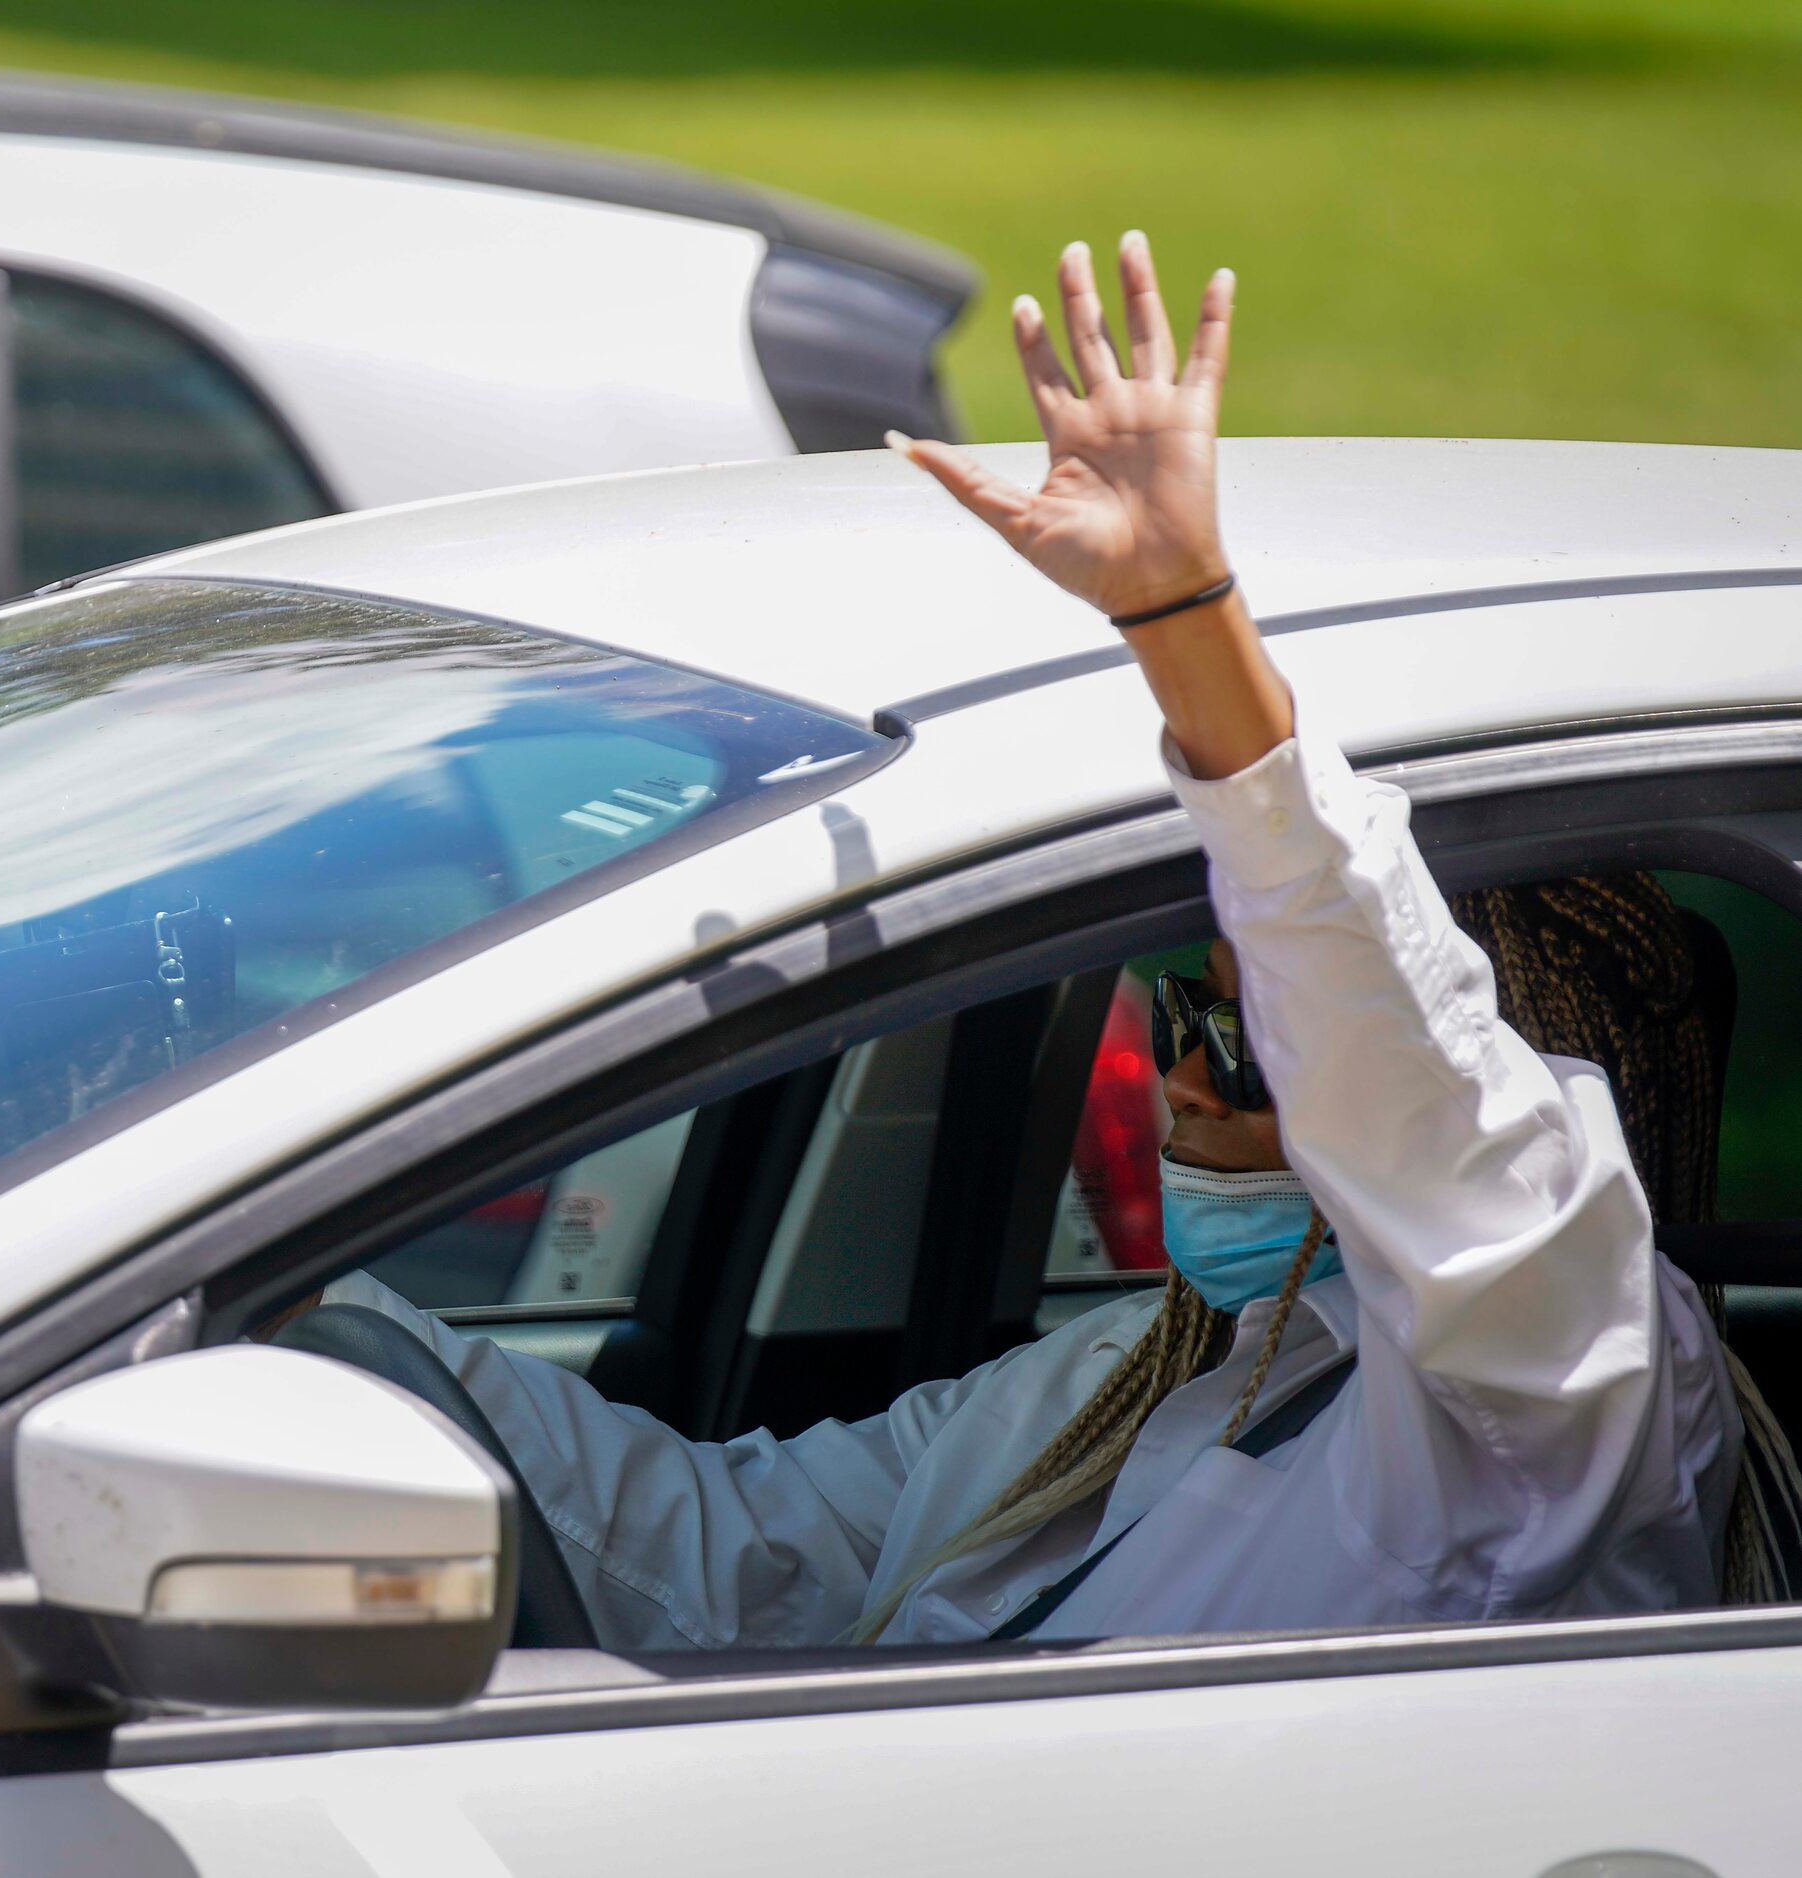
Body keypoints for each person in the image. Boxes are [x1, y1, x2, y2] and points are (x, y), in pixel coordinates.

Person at [296, 233, 1752, 1648]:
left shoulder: (1568, 1377)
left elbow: (1403, 1060)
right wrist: (298, 1306)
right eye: (1184, 1017)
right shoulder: (1142, 1369)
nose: (1181, 1083)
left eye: (1249, 1051)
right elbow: (734, 1550)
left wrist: (1187, 621)